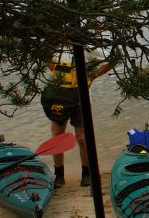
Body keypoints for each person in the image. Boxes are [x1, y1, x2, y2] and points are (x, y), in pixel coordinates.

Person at [40, 49, 112, 187]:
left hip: (81, 95)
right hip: (58, 94)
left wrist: (93, 76)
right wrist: (58, 73)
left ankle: (86, 173)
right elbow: (45, 56)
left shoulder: (88, 46)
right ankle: (59, 175)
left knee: (82, 138)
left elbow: (114, 58)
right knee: (57, 136)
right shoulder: (55, 41)